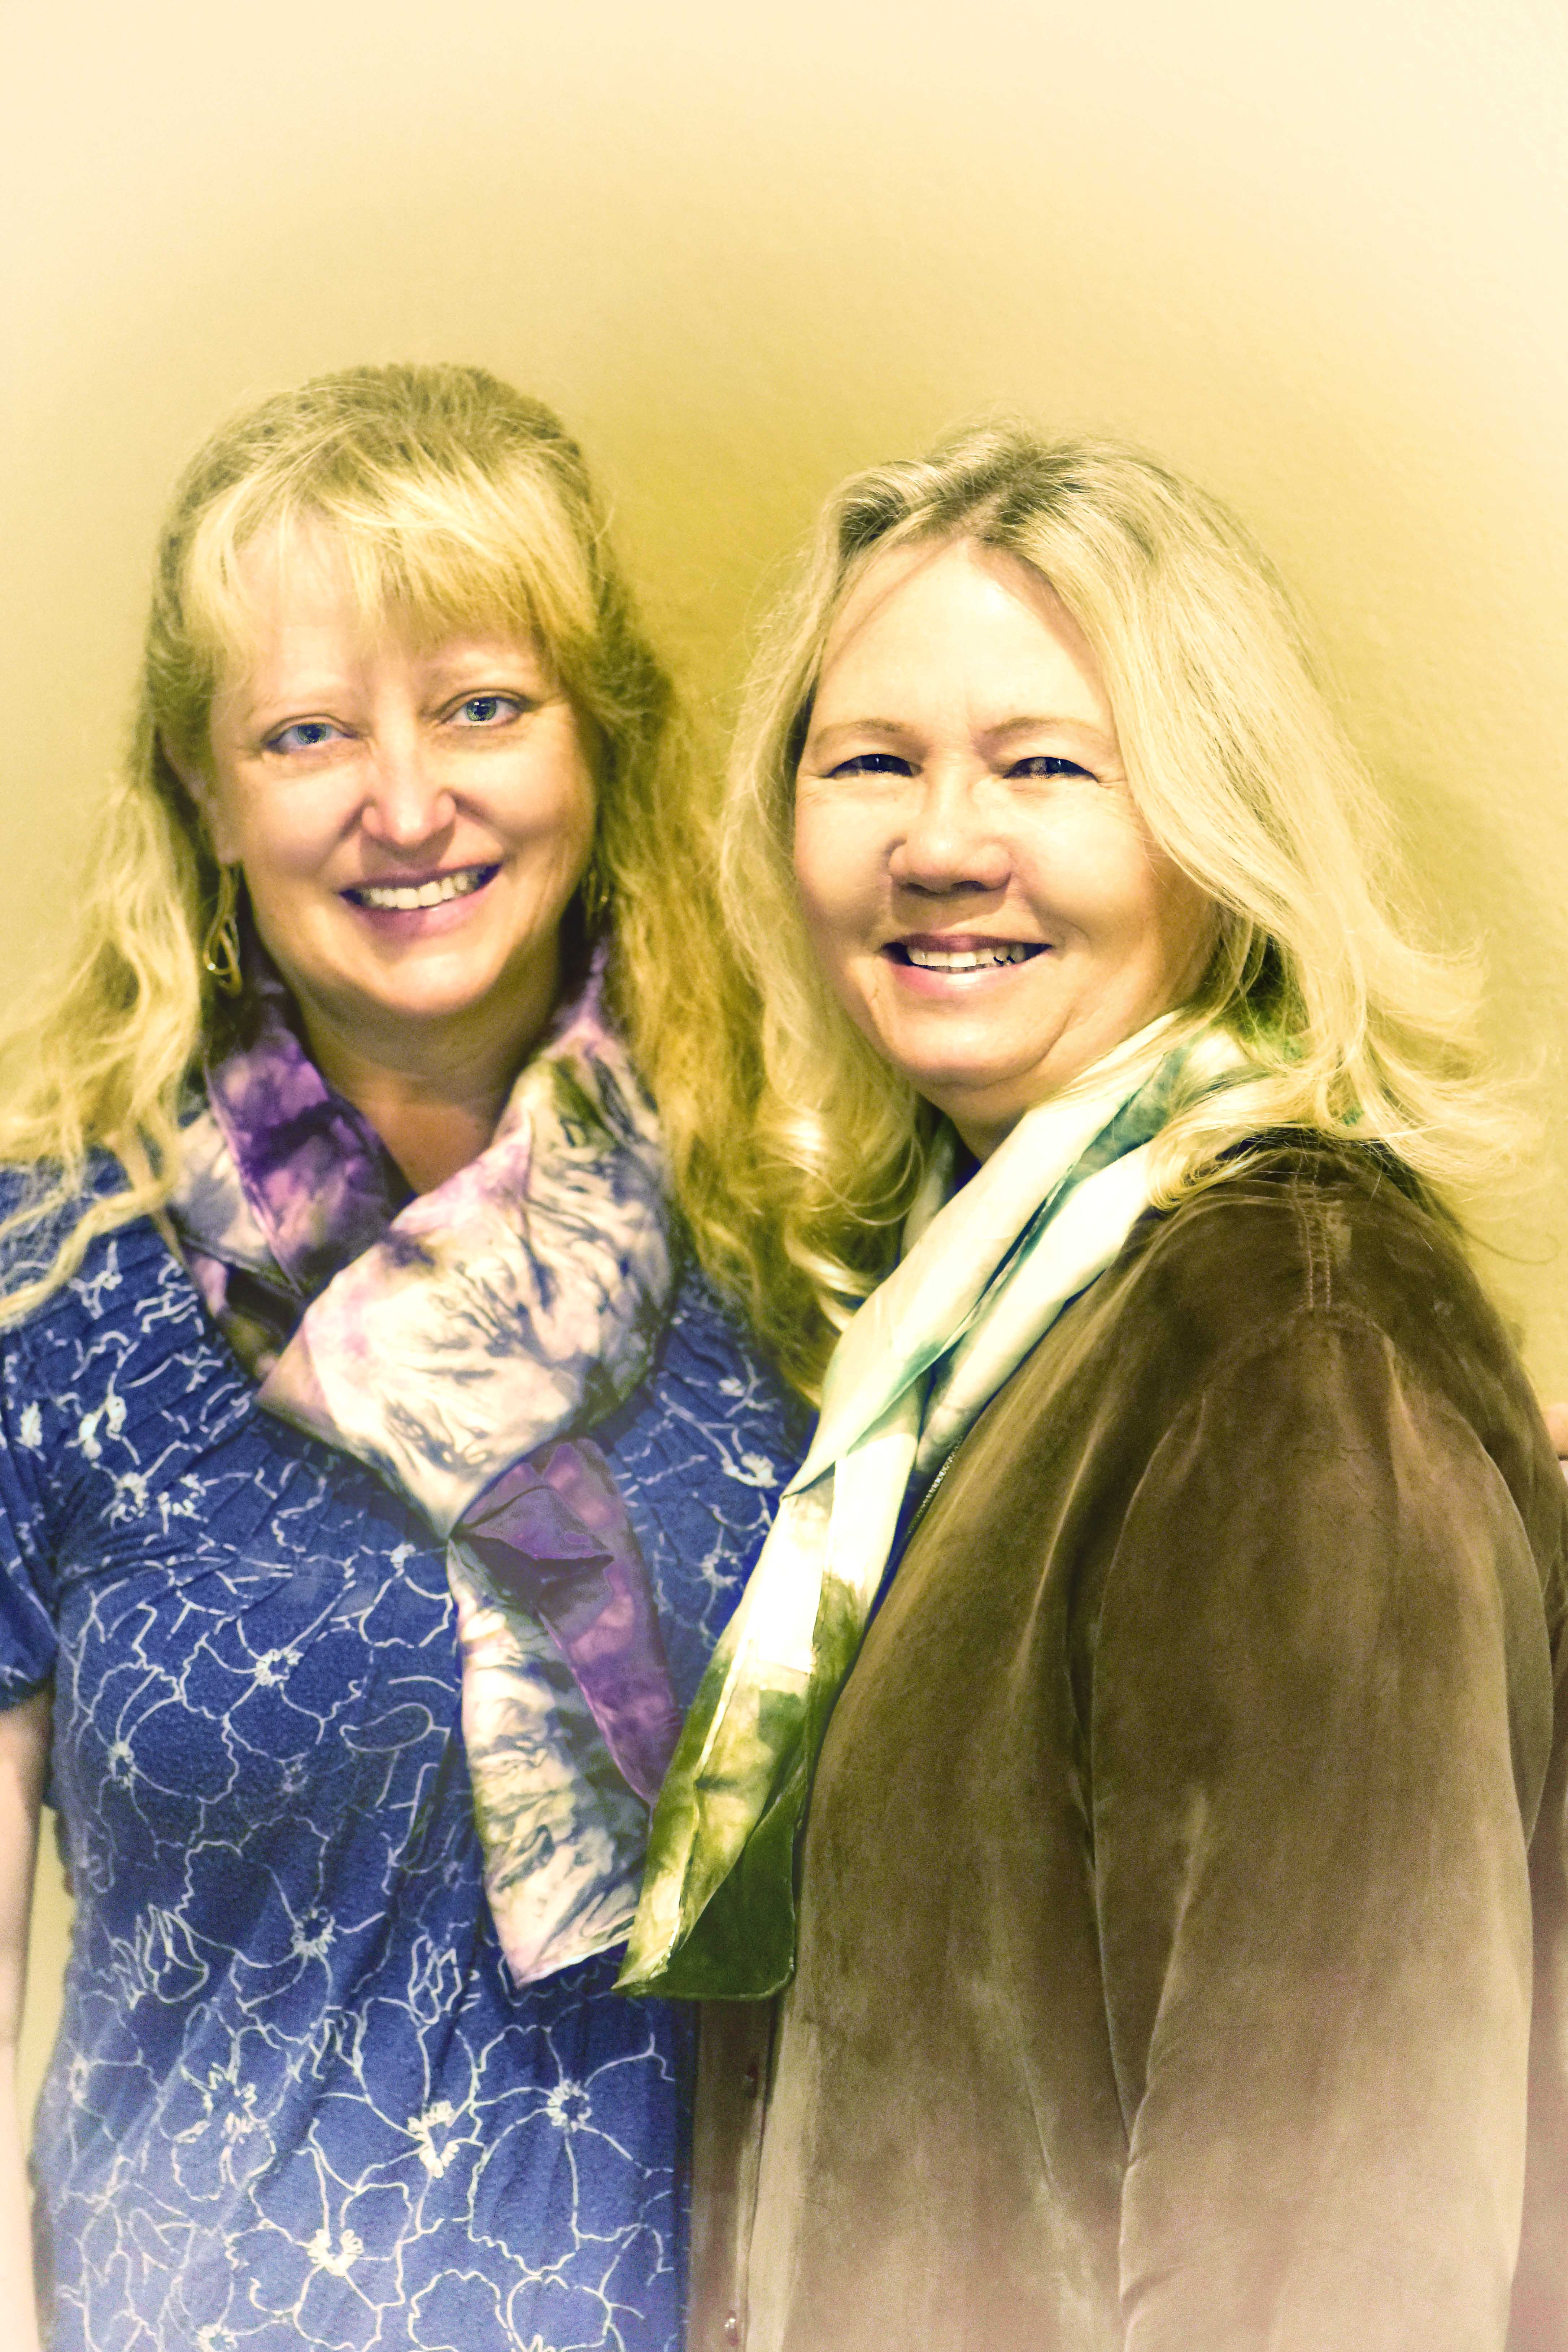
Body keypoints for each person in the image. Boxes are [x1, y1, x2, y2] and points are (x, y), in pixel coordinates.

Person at [617, 430, 1568, 2349]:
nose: (941, 843)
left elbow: (1337, 2262)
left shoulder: (1288, 1350)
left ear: (1218, 828)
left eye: (1045, 765)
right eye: (869, 761)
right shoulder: (964, 1336)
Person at [0, 363, 802, 2352]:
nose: (410, 802)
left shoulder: (799, 1234)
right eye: (308, 731)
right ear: (202, 789)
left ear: (597, 741)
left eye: (480, 705)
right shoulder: (45, 1282)